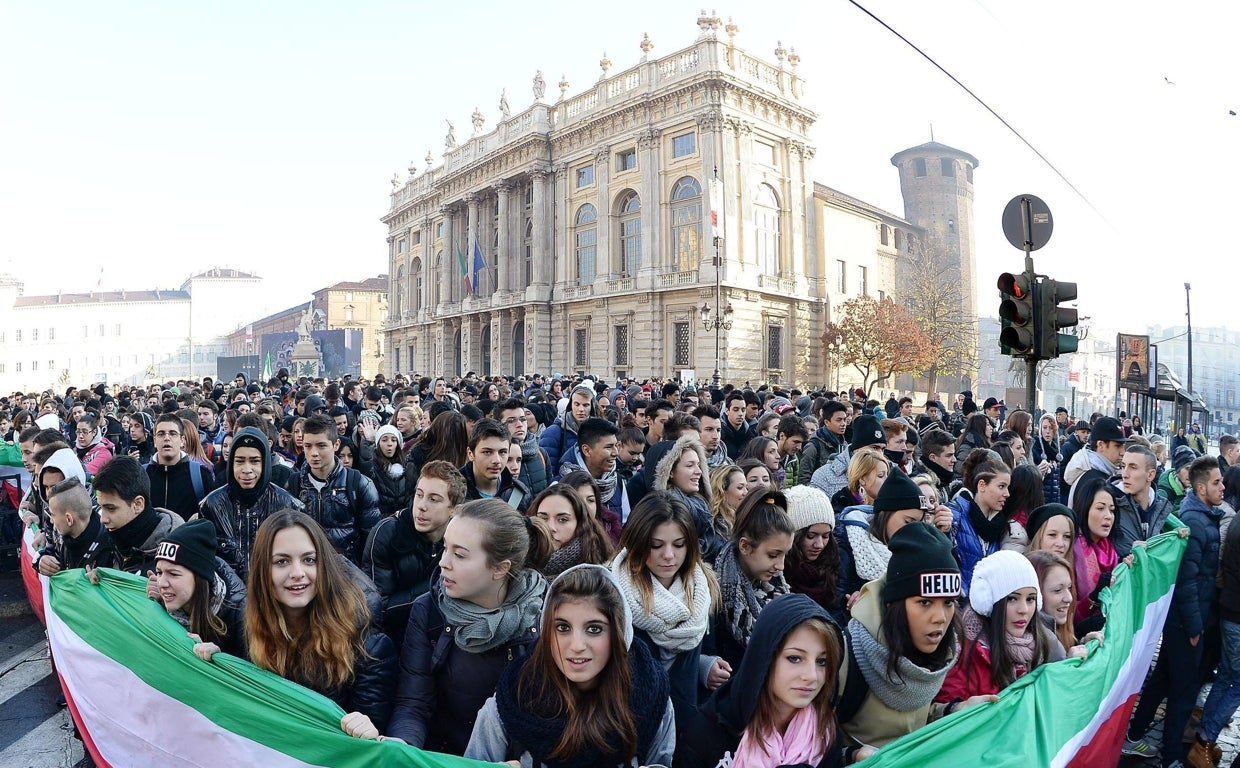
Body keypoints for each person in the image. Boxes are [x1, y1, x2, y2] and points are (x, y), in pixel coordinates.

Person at [464, 564, 676, 768]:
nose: (576, 646)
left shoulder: (653, 701)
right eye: (562, 627)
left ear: (618, 634)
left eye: (594, 629)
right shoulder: (510, 702)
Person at [388, 499, 551, 755]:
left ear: (500, 569)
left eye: (460, 555)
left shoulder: (545, 619)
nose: (444, 562)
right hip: (445, 756)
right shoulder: (429, 610)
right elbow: (413, 703)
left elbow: (549, 718)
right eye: (445, 548)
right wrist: (403, 745)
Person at [238, 510, 397, 739]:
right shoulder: (251, 627)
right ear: (262, 571)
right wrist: (212, 658)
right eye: (282, 562)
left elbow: (371, 747)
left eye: (309, 560)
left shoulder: (368, 648)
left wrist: (368, 729)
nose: (297, 573)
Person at [837, 522, 991, 748]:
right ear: (895, 605)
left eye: (948, 602)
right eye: (925, 602)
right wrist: (851, 756)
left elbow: (915, 719)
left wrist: (955, 710)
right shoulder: (843, 657)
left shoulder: (943, 651)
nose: (940, 617)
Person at [677, 593, 853, 768]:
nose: (812, 675)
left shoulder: (825, 730)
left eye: (822, 662)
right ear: (764, 657)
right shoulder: (707, 733)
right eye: (795, 658)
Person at [1125, 456, 1221, 767]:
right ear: (1202, 488)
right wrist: (1194, 627)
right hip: (1187, 623)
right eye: (1217, 482)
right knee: (1183, 692)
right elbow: (1187, 582)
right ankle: (1171, 757)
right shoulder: (1195, 522)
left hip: (1184, 620)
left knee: (1162, 680)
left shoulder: (1199, 516)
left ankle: (1135, 733)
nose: (1222, 487)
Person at [610, 491, 718, 729]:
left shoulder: (703, 589)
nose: (668, 555)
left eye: (678, 545)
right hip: (630, 723)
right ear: (638, 543)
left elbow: (705, 651)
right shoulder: (612, 593)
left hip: (684, 725)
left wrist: (705, 664)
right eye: (656, 545)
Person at [936, 551, 1067, 706]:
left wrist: (1074, 662)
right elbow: (940, 712)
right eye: (1012, 599)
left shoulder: (1044, 640)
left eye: (1031, 599)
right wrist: (956, 707)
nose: (1024, 609)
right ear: (988, 601)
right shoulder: (963, 651)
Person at [362, 460, 466, 644]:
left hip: (444, 637)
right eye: (419, 495)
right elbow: (377, 608)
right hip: (394, 639)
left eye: (433, 499)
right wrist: (436, 586)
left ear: (454, 509)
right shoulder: (386, 533)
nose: (421, 506)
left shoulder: (462, 539)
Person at [199, 426, 304, 582]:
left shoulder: (288, 505)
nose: (247, 469)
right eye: (240, 461)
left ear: (265, 463)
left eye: (255, 461)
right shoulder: (211, 505)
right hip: (228, 593)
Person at [708, 488, 795, 671]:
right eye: (773, 555)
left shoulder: (776, 586)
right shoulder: (712, 591)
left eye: (785, 555)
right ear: (745, 546)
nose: (781, 566)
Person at [1190, 468, 1240, 767]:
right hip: (1235, 614)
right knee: (1235, 681)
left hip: (1231, 611)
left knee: (1228, 677)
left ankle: (1204, 738)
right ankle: (1204, 740)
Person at [288, 414, 382, 563]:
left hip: (346, 569)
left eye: (321, 445)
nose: (314, 453)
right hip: (306, 568)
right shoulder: (294, 483)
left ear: (336, 445)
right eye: (308, 446)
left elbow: (371, 541)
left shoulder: (358, 483)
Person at [149, 519, 248, 659]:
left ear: (199, 578)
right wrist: (154, 605)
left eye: (173, 574)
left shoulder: (241, 616)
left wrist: (221, 659)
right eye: (159, 572)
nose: (162, 583)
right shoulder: (161, 600)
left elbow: (258, 669)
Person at [93, 455, 185, 575]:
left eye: (110, 508)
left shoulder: (181, 553)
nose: (103, 519)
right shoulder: (106, 544)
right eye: (101, 507)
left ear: (138, 504)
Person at [650, 433, 725, 565]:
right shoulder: (660, 512)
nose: (699, 471)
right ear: (670, 472)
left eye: (699, 465)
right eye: (690, 466)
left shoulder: (702, 505)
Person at [946, 456, 1011, 593]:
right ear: (982, 485)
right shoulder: (954, 514)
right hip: (959, 599)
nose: (1007, 494)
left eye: (1007, 487)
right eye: (1001, 486)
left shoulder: (1000, 523)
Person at [559, 417, 631, 529]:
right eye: (608, 447)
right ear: (587, 450)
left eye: (616, 446)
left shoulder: (616, 481)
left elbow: (625, 524)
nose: (615, 453)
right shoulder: (562, 484)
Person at [34, 478, 114, 576]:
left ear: (69, 519)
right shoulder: (64, 538)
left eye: (53, 515)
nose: (51, 520)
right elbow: (48, 555)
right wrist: (42, 561)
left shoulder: (110, 549)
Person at [529, 484, 612, 578]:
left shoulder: (600, 576)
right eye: (543, 519)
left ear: (580, 524)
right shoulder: (519, 564)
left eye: (563, 520)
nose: (550, 527)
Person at [783, 484, 841, 618]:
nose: (819, 545)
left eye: (826, 536)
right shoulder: (776, 571)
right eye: (810, 536)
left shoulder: (835, 564)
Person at [1071, 476, 1119, 636]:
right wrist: (1094, 596)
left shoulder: (1112, 551)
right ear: (1085, 509)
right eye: (1100, 508)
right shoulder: (1071, 550)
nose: (1108, 516)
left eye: (1112, 510)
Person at [146, 413, 216, 522]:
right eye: (161, 434)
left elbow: (212, 519)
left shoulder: (201, 475)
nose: (167, 438)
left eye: (173, 434)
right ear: (155, 440)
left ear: (182, 440)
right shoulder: (141, 475)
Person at [1113, 444, 1175, 559]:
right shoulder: (1109, 504)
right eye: (1123, 466)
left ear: (1150, 475)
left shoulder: (1160, 507)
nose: (1124, 474)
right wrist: (1126, 557)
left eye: (1133, 467)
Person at [1063, 417, 1130, 507]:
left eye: (1123, 446)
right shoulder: (1093, 480)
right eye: (1117, 446)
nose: (1123, 452)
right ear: (1100, 445)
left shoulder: (1095, 471)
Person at [540, 381, 594, 472]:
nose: (581, 409)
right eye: (577, 404)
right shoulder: (553, 432)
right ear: (570, 405)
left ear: (592, 407)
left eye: (586, 405)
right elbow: (547, 471)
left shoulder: (598, 432)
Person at [798, 400, 849, 486]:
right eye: (839, 420)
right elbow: (803, 479)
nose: (843, 424)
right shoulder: (813, 446)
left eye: (844, 420)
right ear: (827, 422)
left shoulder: (844, 445)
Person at [367, 424, 412, 516]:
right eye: (384, 440)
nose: (389, 444)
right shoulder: (372, 467)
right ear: (378, 444)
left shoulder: (408, 465)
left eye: (393, 440)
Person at [829, 447, 889, 516]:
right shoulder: (841, 504)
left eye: (887, 474)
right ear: (862, 479)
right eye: (880, 475)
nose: (887, 480)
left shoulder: (891, 502)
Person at [1030, 414, 1063, 505]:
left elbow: (1057, 482)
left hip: (1054, 499)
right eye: (1044, 428)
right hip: (1039, 500)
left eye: (1051, 428)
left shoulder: (1057, 451)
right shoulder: (1035, 448)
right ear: (1040, 429)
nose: (1048, 431)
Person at [73, 412, 115, 477]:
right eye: (78, 432)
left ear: (94, 432)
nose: (80, 436)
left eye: (85, 432)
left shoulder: (104, 453)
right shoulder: (74, 451)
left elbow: (85, 473)